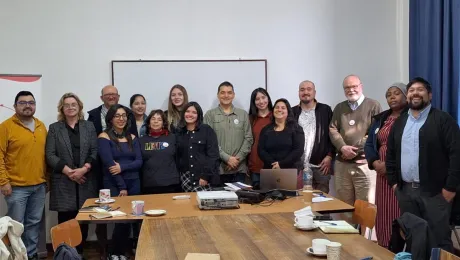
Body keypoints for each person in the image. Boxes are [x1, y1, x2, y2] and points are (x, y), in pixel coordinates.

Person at [386, 77, 460, 251]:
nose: (415, 93)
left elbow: (456, 155)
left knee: (439, 241)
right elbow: (390, 154)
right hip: (406, 192)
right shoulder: (400, 122)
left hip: (436, 193)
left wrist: (450, 188)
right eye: (411, 90)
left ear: (430, 95)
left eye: (420, 90)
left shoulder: (443, 120)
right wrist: (394, 184)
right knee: (414, 240)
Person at [45, 93, 98, 256]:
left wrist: (84, 169)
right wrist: (69, 172)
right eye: (66, 105)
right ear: (62, 108)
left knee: (83, 218)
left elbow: (95, 150)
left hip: (85, 179)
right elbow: (50, 154)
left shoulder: (89, 126)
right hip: (64, 181)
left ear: (79, 106)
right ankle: (66, 255)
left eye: (73, 104)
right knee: (66, 220)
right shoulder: (55, 128)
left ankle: (80, 253)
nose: (70, 107)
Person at [0, 91, 47, 260]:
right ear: (15, 106)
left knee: (33, 224)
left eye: (31, 102)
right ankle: (14, 257)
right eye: (23, 102)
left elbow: (45, 156)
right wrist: (3, 182)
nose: (27, 105)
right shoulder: (5, 127)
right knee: (15, 227)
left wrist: (46, 180)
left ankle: (31, 255)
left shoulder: (41, 126)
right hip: (16, 188)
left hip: (39, 186)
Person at [364, 83, 407, 248]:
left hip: (400, 176)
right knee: (383, 213)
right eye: (389, 94)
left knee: (398, 212)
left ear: (405, 96)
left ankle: (398, 250)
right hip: (381, 176)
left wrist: (389, 167)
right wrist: (374, 162)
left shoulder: (410, 117)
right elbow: (369, 144)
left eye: (396, 93)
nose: (392, 97)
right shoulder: (381, 118)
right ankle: (383, 246)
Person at [97, 104, 142, 259]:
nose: (121, 119)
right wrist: (122, 186)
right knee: (120, 218)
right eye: (117, 116)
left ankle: (121, 252)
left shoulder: (132, 137)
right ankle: (114, 253)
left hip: (134, 183)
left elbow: (139, 162)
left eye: (124, 115)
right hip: (115, 184)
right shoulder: (104, 137)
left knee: (131, 219)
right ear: (110, 119)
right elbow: (109, 164)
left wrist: (122, 167)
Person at [329, 75, 382, 206]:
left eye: (354, 86)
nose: (351, 90)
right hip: (342, 165)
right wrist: (342, 148)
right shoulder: (339, 108)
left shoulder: (373, 105)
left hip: (364, 164)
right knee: (344, 206)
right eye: (347, 87)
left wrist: (354, 150)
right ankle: (349, 228)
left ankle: (365, 228)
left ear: (361, 87)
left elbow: (374, 132)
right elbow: (332, 129)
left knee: (366, 207)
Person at [204, 81, 253, 185]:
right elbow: (209, 142)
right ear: (218, 95)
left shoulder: (243, 114)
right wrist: (227, 158)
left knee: (240, 200)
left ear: (233, 95)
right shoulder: (210, 115)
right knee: (219, 200)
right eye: (223, 92)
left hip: (239, 169)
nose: (226, 95)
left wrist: (236, 160)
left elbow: (248, 139)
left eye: (229, 92)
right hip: (218, 169)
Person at [293, 80, 334, 193]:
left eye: (309, 89)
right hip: (298, 166)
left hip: (321, 165)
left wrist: (329, 156)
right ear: (298, 93)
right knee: (299, 202)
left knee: (322, 203)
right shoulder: (292, 112)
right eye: (302, 90)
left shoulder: (325, 110)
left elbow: (333, 134)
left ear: (314, 92)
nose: (305, 92)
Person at [177, 102, 220, 191]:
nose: (190, 114)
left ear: (198, 115)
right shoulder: (179, 132)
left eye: (194, 112)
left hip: (203, 178)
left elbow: (213, 155)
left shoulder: (207, 130)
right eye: (187, 111)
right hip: (185, 178)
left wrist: (205, 176)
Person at [258, 99, 305, 176]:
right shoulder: (265, 129)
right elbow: (261, 150)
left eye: (283, 108)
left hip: (291, 171)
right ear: (273, 111)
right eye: (277, 107)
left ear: (288, 111)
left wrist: (281, 164)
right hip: (270, 170)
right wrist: (274, 164)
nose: (279, 109)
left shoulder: (296, 128)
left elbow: (298, 150)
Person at [139, 109, 181, 194]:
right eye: (153, 119)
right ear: (148, 123)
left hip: (171, 183)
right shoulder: (141, 140)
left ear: (163, 123)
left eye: (159, 119)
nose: (156, 121)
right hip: (149, 184)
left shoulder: (173, 138)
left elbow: (179, 158)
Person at [247, 88, 273, 189]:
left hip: (273, 166)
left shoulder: (276, 116)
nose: (261, 101)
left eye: (263, 97)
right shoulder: (250, 119)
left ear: (268, 98)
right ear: (253, 102)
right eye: (257, 99)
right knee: (257, 200)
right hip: (255, 166)